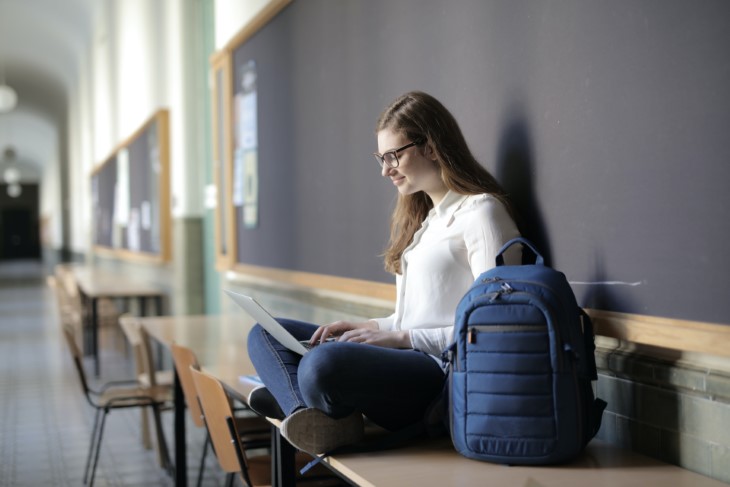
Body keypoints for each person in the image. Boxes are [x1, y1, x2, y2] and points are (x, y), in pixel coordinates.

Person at [247, 91, 521, 455]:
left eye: (394, 155)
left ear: (433, 147)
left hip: (444, 375)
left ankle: (303, 400)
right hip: (408, 356)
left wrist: (402, 339)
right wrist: (370, 328)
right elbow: (412, 317)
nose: (384, 169)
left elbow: (496, 327)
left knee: (322, 363)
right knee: (263, 332)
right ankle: (310, 415)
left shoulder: (482, 214)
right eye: (381, 157)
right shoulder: (426, 222)